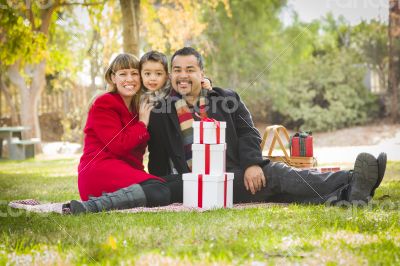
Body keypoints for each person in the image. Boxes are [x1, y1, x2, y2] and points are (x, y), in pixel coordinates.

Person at [147, 47, 387, 205]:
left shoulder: (225, 98)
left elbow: (248, 132)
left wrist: (252, 164)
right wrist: (166, 190)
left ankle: (351, 193)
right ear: (170, 75)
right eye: (177, 70)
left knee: (278, 188)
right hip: (203, 184)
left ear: (202, 73)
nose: (183, 76)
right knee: (276, 175)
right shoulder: (162, 111)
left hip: (236, 170)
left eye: (190, 69)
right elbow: (157, 159)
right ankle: (353, 179)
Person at [69, 53, 171, 214]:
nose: (129, 79)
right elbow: (118, 145)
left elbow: (168, 88)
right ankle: (90, 207)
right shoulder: (104, 103)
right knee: (160, 190)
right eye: (123, 74)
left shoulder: (139, 108)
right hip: (99, 171)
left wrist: (205, 83)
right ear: (112, 78)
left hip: (123, 172)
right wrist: (142, 123)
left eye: (134, 74)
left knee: (181, 182)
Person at [139, 50, 212, 105]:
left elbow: (191, 81)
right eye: (147, 74)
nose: (152, 78)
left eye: (158, 74)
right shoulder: (139, 93)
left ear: (167, 76)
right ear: (141, 75)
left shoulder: (171, 87)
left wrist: (205, 81)